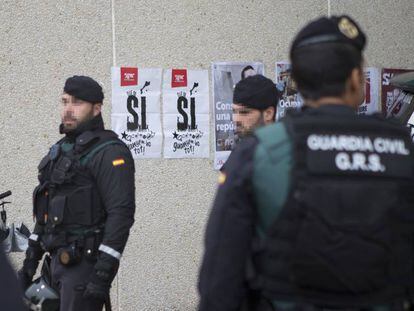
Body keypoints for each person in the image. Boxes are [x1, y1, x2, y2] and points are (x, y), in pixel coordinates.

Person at [198, 15, 414, 311]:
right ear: (355, 79)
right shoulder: (403, 149)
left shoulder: (259, 153)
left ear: (298, 82)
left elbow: (219, 281)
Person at [18, 75, 136, 311]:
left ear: (96, 108)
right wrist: (29, 265)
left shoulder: (110, 152)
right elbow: (46, 214)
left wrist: (101, 277)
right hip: (52, 268)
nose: (68, 110)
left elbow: (121, 215)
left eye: (77, 102)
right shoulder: (60, 151)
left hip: (82, 272)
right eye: (64, 101)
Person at [232, 74, 278, 140]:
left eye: (244, 112)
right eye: (234, 111)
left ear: (268, 113)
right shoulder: (243, 147)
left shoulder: (288, 148)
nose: (236, 119)